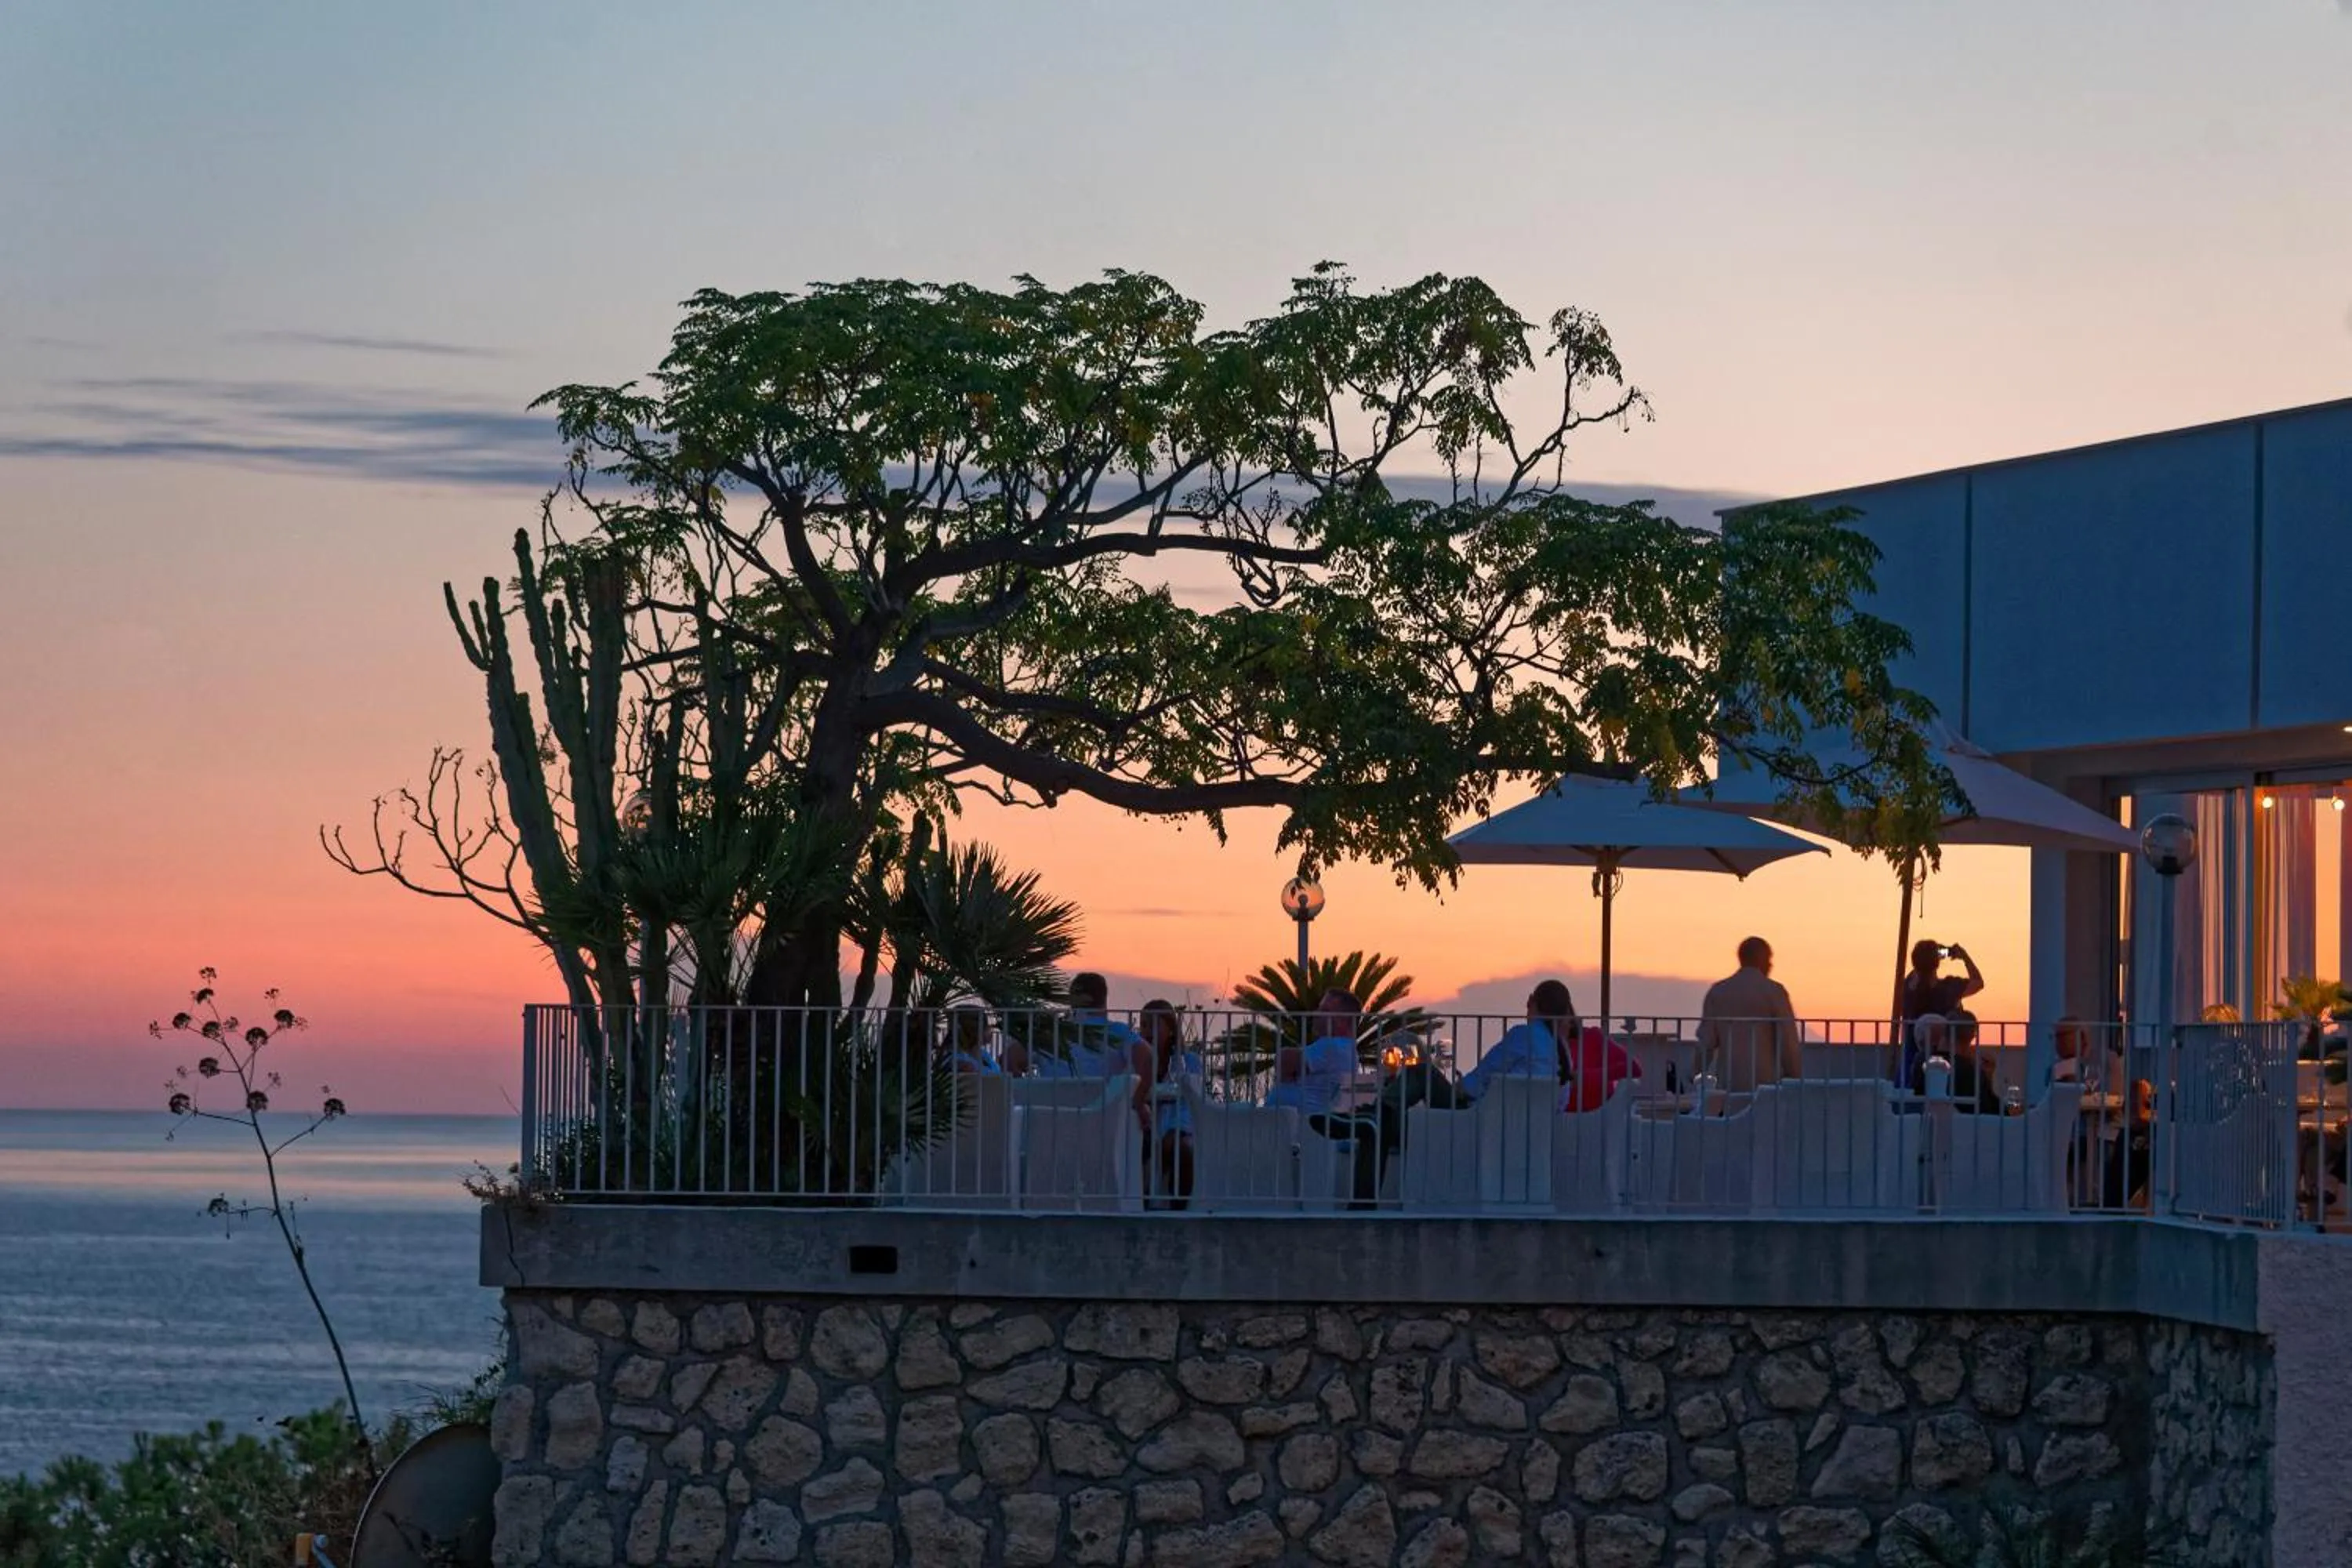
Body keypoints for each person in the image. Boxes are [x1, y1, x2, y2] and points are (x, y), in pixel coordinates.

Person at [1695, 938, 1803, 1093]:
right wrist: (1795, 1078)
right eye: (1769, 959)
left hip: (1728, 1085)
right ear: (1762, 959)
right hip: (1767, 1088)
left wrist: (1695, 1076)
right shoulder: (1774, 992)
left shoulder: (1719, 992)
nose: (1771, 965)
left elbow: (1705, 1043)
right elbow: (1788, 1042)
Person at [1460, 980, 1577, 1102]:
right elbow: (1562, 1102)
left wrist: (1458, 1089)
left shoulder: (1523, 1035)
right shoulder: (1563, 1051)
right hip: (1542, 1119)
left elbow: (1480, 1077)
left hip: (1488, 1115)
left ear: (1530, 1001)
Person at [1138, 1000, 1198, 1207]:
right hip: (1145, 1121)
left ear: (1170, 1028)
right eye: (1143, 1025)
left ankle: (1178, 1207)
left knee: (1183, 1149)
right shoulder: (1137, 1059)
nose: (1147, 1031)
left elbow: (1192, 1101)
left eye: (1153, 1025)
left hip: (1177, 1122)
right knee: (1141, 1144)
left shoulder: (1188, 1061)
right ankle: (1141, 1200)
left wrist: (1176, 1129)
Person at [1274, 989, 1366, 1118]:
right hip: (1290, 1122)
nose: (1316, 1014)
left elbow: (1285, 1059)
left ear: (1344, 1020)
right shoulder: (1345, 1049)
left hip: (1297, 1124)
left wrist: (1289, 1075)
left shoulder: (1333, 1046)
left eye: (1325, 1011)